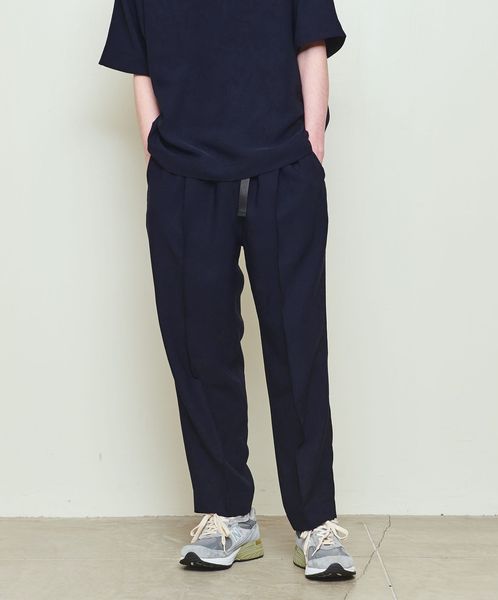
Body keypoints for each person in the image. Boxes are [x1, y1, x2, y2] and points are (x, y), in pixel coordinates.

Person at [99, 0, 355, 581]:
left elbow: (312, 45)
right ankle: (229, 514)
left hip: (284, 167)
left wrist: (312, 146)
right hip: (182, 176)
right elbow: (141, 63)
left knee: (298, 348)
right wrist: (155, 149)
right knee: (199, 349)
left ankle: (316, 522)